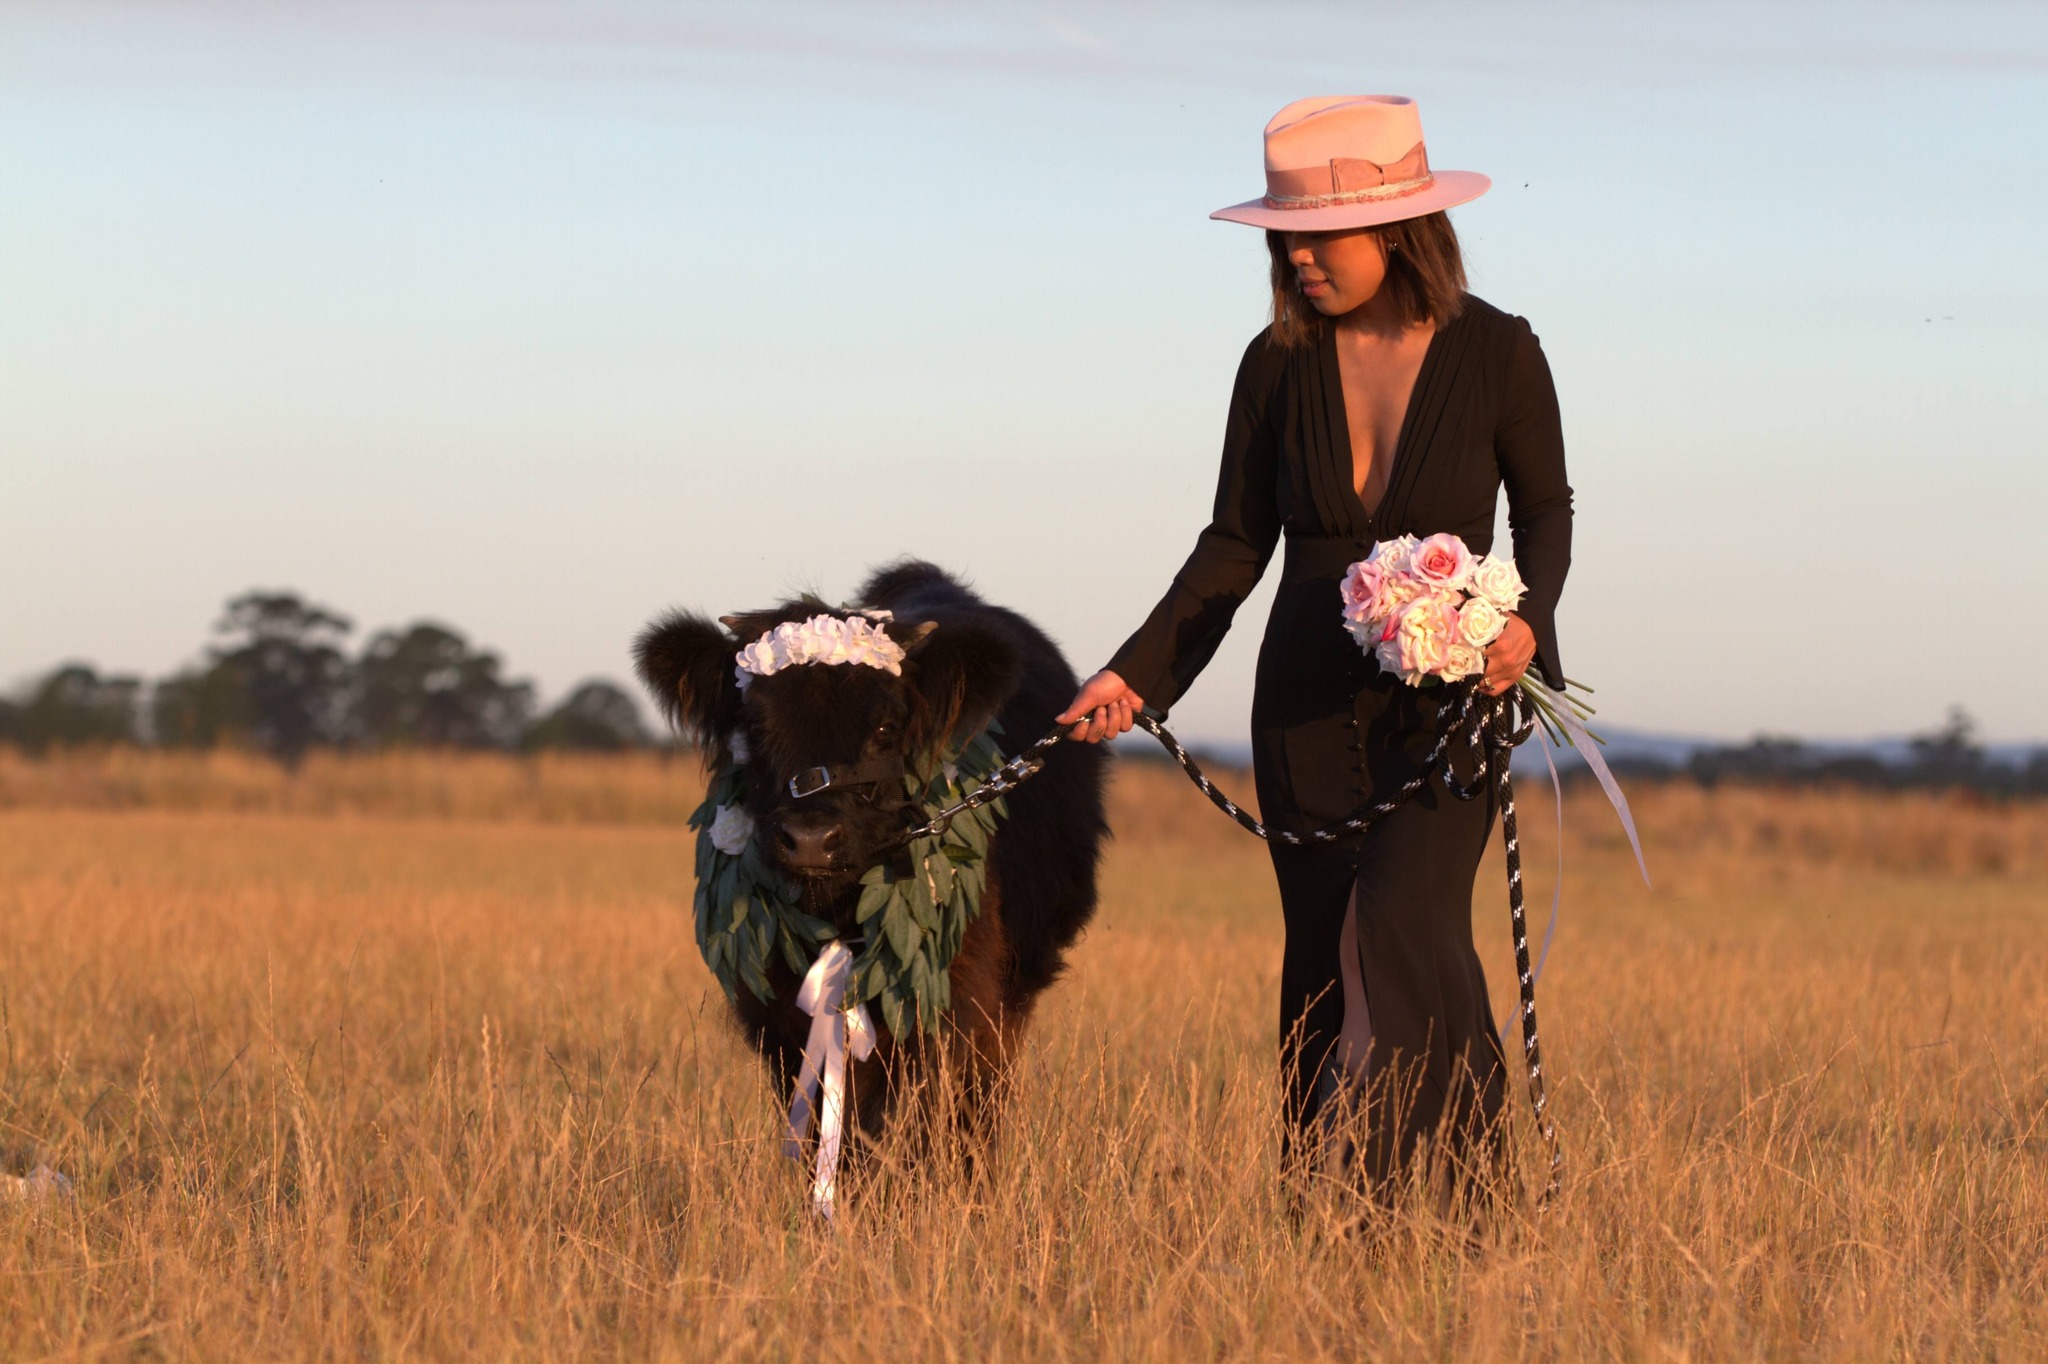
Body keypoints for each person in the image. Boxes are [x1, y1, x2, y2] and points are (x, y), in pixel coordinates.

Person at [1057, 95, 1572, 1193]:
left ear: (1396, 229)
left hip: (1449, 703)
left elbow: (1546, 517)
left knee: (1398, 925)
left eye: (1314, 241)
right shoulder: (1273, 363)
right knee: (1323, 949)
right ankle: (1331, 1197)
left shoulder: (1501, 352)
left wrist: (1525, 625)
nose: (1294, 263)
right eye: (1280, 243)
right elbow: (1233, 543)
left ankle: (1407, 1200)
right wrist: (1135, 672)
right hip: (1303, 706)